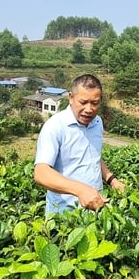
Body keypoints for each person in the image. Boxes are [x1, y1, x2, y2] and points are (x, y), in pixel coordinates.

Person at [34, 74, 125, 215]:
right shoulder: (55, 126)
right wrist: (80, 190)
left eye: (95, 103)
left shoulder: (97, 122)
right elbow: (41, 173)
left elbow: (94, 155)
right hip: (64, 214)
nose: (89, 109)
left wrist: (111, 179)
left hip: (95, 209)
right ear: (71, 98)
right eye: (83, 102)